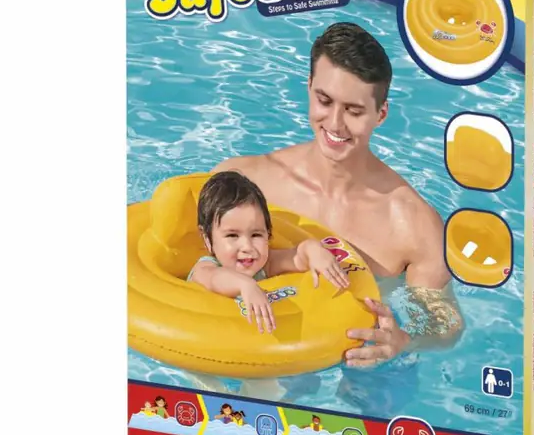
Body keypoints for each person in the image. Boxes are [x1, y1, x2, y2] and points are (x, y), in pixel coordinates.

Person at [214, 22, 464, 367]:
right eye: (324, 100)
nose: (334, 123)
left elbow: (446, 324)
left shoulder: (412, 225)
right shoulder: (248, 182)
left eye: (354, 110)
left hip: (357, 364)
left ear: (381, 114)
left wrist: (404, 341)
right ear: (309, 87)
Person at [187, 170, 349, 334]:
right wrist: (244, 285)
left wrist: (313, 250)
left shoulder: (264, 264)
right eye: (232, 235)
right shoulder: (206, 268)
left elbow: (296, 257)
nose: (247, 247)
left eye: (256, 235)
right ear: (207, 240)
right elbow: (214, 278)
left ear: (268, 234)